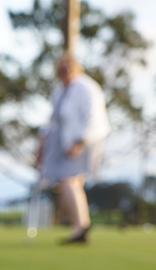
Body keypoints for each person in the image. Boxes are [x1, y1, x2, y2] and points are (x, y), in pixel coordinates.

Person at [38, 53, 110, 244]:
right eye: (61, 69)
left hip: (84, 140)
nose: (65, 72)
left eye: (68, 68)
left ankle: (81, 226)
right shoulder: (60, 90)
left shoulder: (86, 87)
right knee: (70, 182)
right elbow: (54, 120)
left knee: (68, 179)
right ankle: (80, 225)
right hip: (65, 142)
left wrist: (80, 141)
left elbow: (93, 117)